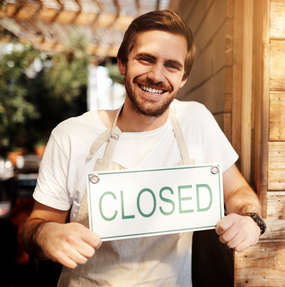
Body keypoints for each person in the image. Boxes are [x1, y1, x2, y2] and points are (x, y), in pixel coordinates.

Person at [22, 9, 265, 286]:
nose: (156, 75)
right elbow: (35, 226)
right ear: (123, 64)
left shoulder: (196, 122)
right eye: (146, 59)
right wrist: (44, 234)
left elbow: (238, 192)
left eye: (171, 66)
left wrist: (249, 220)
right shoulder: (71, 135)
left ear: (183, 79)